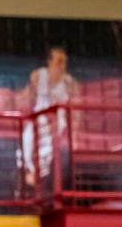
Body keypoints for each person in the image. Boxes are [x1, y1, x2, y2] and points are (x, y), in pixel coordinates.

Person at [21, 46, 79, 188]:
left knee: (50, 152)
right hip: (38, 119)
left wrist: (75, 135)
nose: (61, 65)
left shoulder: (70, 82)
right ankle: (30, 170)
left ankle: (41, 174)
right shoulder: (37, 76)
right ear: (49, 61)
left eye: (64, 61)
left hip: (57, 123)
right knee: (27, 140)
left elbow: (76, 111)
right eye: (58, 61)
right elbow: (27, 99)